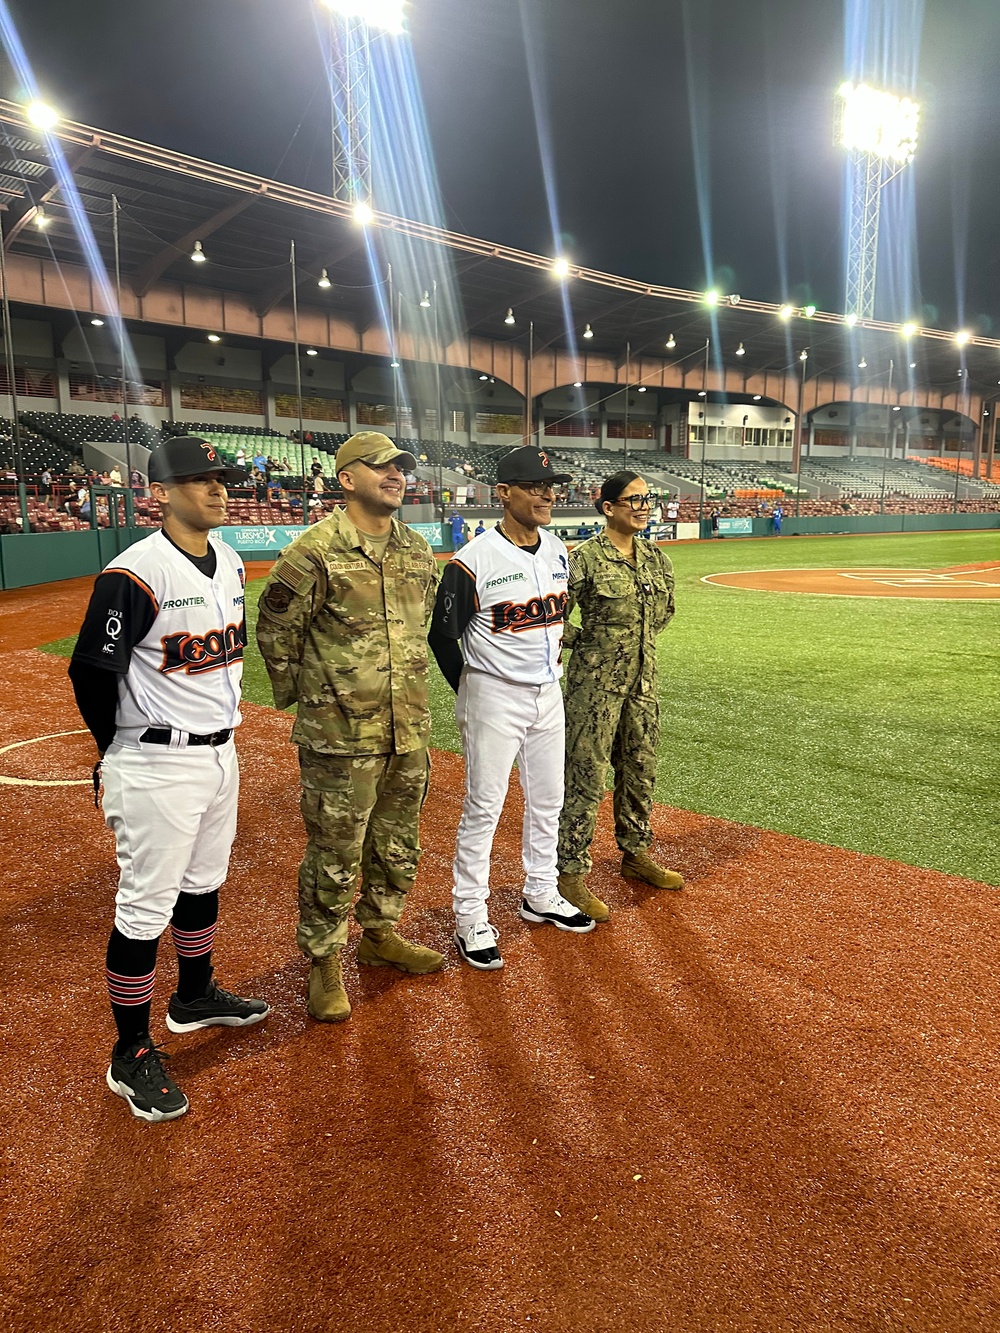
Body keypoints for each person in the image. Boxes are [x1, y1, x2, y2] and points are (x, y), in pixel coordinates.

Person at [67, 436, 269, 1122]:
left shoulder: (232, 560)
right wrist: (115, 750)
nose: (216, 487)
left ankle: (195, 995)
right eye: (198, 478)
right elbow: (90, 672)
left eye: (220, 477)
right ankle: (130, 1052)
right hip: (156, 759)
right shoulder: (135, 572)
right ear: (160, 492)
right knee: (144, 907)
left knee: (204, 881)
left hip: (219, 752)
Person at [256, 431, 443, 1023]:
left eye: (401, 469)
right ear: (346, 479)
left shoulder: (416, 549)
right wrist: (314, 699)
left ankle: (380, 933)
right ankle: (323, 961)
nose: (396, 476)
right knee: (334, 852)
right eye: (382, 467)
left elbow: (423, 627)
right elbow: (274, 631)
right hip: (339, 738)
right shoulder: (313, 551)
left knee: (396, 843)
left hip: (407, 729)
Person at [429, 445, 595, 971]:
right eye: (534, 485)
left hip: (549, 692)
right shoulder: (472, 560)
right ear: (503, 493)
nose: (548, 494)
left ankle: (539, 892)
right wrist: (471, 691)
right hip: (493, 693)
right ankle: (470, 915)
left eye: (552, 485)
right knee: (485, 806)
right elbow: (441, 636)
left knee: (550, 799)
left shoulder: (557, 549)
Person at [556, 472, 684, 922]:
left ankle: (636, 852)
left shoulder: (655, 558)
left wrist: (631, 647)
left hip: (642, 687)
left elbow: (663, 612)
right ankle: (569, 872)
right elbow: (553, 618)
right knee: (585, 776)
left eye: (648, 498)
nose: (645, 506)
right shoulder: (585, 559)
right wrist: (589, 643)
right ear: (608, 507)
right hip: (594, 689)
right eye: (634, 499)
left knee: (639, 770)